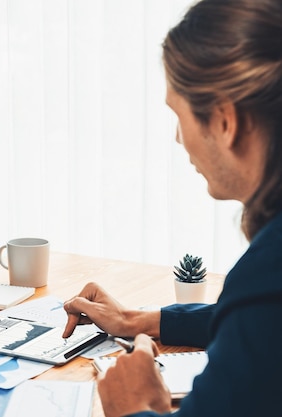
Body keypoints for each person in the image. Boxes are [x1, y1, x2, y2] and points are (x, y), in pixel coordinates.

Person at [62, 0, 282, 415]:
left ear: (224, 121)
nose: (179, 140)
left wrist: (133, 406)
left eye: (178, 116)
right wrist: (136, 320)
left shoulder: (268, 273)